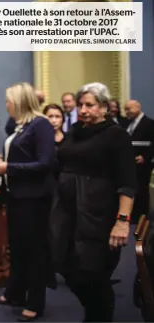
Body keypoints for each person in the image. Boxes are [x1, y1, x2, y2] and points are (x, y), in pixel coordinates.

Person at [50, 82, 136, 322]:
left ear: (104, 108)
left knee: (94, 275)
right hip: (67, 215)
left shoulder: (116, 135)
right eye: (80, 105)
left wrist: (122, 221)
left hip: (98, 216)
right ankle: (94, 313)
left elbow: (128, 182)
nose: (83, 110)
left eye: (89, 105)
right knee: (67, 269)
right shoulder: (76, 130)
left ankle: (99, 316)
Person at [0, 82, 55, 322]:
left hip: (34, 199)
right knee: (17, 248)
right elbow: (17, 154)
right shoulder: (20, 126)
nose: (6, 105)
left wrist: (9, 167)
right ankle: (15, 292)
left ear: (19, 102)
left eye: (9, 100)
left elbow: (45, 163)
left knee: (34, 250)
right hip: (16, 196)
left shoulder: (41, 125)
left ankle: (35, 302)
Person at [124, 100, 154, 223]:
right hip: (131, 164)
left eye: (129, 109)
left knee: (142, 191)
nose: (126, 112)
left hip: (143, 165)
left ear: (138, 107)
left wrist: (145, 157)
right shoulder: (127, 124)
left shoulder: (149, 123)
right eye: (125, 109)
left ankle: (143, 217)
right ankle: (134, 216)